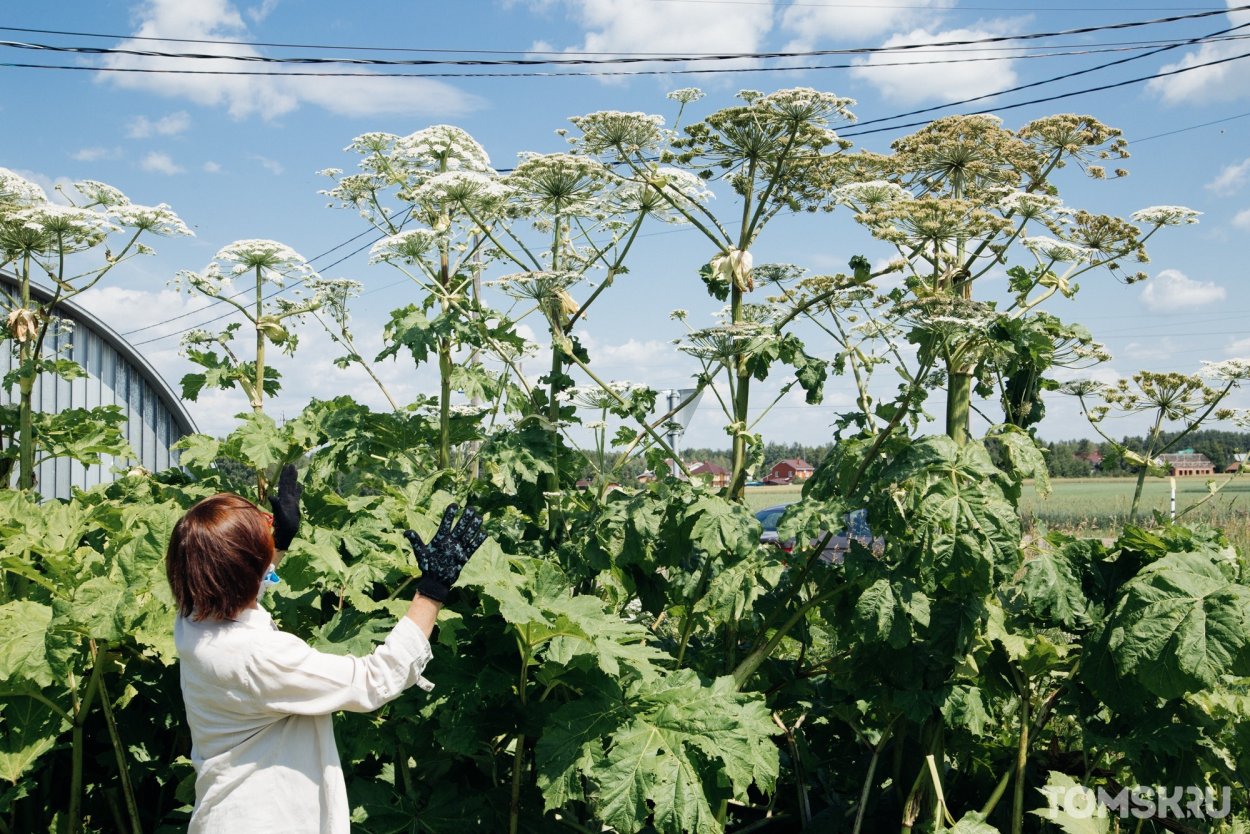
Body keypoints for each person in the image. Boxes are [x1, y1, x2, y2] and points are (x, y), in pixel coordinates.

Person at [165, 464, 486, 833]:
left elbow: (236, 589)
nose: (269, 533)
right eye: (262, 538)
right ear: (244, 568)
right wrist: (433, 589)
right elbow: (374, 680)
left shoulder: (193, 619)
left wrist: (279, 543)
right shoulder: (258, 655)